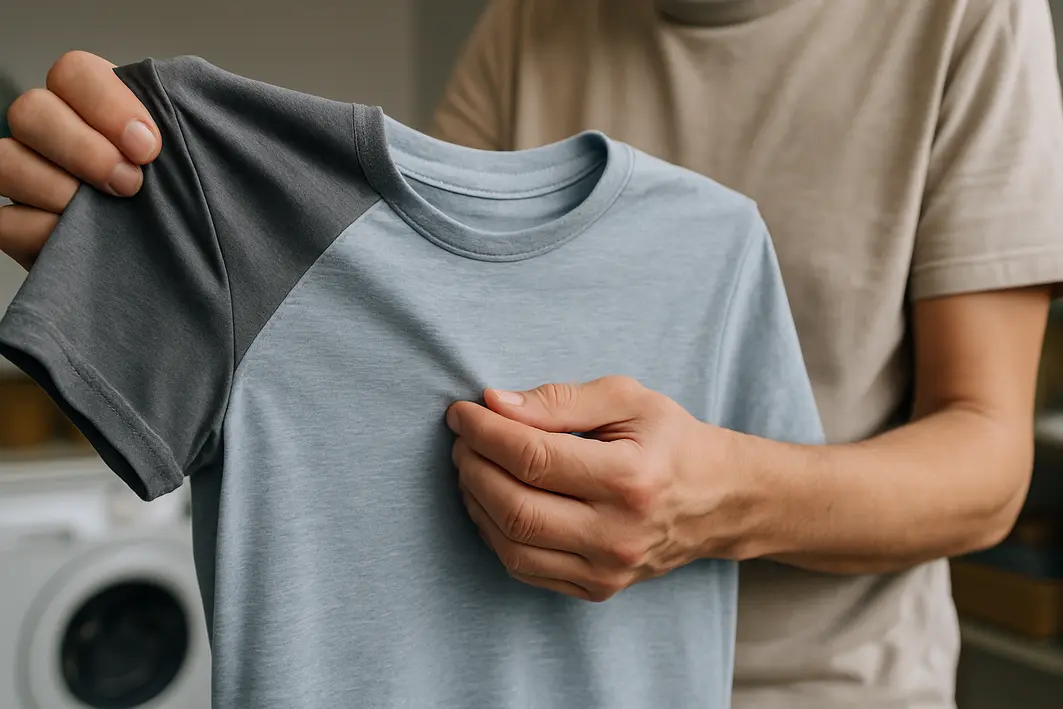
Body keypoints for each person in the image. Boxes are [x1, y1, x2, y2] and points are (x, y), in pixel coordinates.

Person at [0, 0, 1061, 707]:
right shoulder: (529, 19)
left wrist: (718, 495)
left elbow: (986, 463)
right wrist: (156, 242)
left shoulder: (964, 21)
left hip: (832, 685)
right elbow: (397, 297)